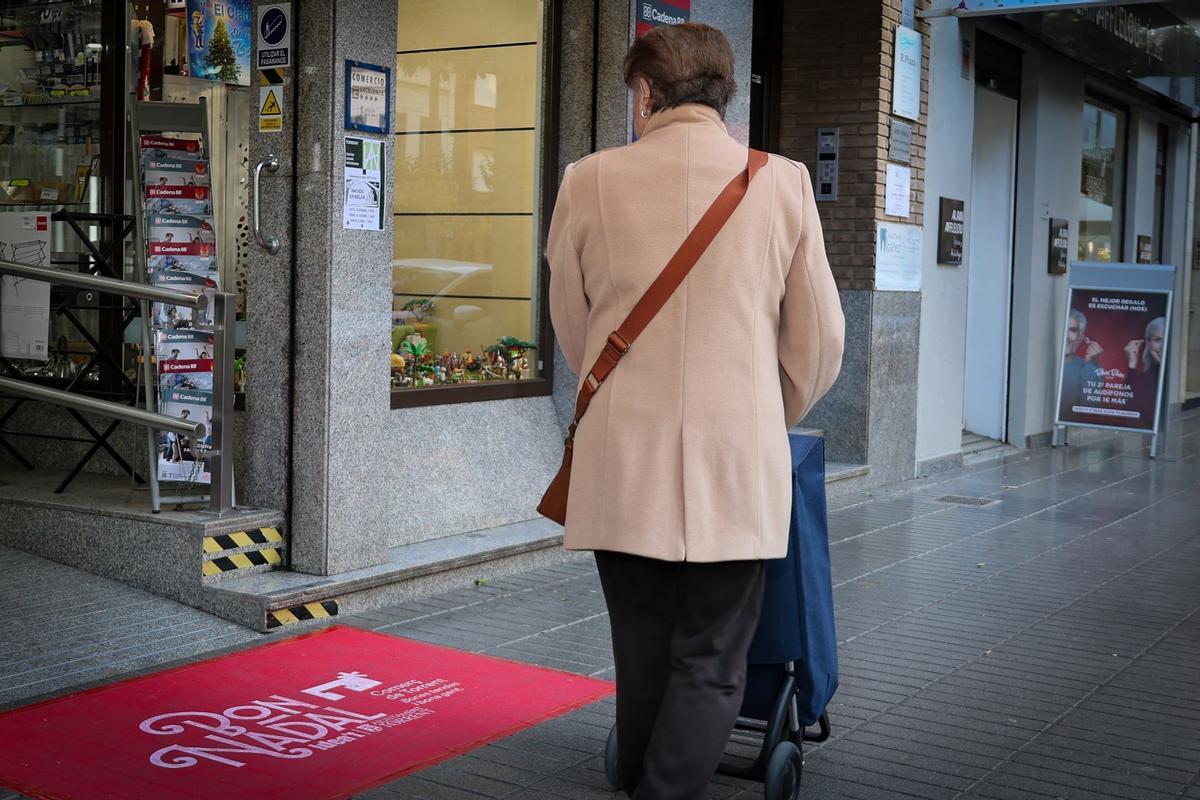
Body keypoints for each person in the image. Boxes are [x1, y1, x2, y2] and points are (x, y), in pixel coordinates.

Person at [546, 23, 844, 799]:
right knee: (712, 658)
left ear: (645, 93)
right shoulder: (781, 181)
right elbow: (820, 342)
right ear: (723, 94)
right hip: (736, 459)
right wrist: (761, 408)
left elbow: (574, 326)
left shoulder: (587, 179)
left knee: (641, 648)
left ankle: (643, 778)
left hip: (624, 457)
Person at [1060, 308, 1104, 416]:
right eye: (1062, 328)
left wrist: (1089, 365)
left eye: (1072, 330)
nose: (1066, 335)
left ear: (1080, 338)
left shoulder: (1094, 369)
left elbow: (1089, 411)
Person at [1125, 316, 1165, 404]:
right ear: (1148, 342)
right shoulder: (1145, 379)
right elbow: (1130, 403)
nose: (1163, 346)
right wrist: (1132, 363)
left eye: (1168, 339)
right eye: (1158, 340)